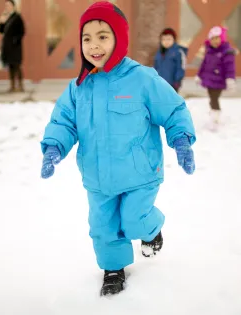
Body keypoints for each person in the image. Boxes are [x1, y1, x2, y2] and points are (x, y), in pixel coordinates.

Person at [40, 1, 196, 296]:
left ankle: (151, 229)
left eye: (102, 36)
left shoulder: (141, 78)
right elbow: (64, 121)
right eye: (87, 38)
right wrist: (54, 147)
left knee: (134, 219)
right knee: (103, 226)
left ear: (119, 39)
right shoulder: (79, 86)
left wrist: (181, 139)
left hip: (140, 173)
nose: (93, 45)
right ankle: (113, 269)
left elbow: (173, 109)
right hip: (98, 178)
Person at [195, 26, 236, 129]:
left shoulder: (226, 52)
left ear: (222, 39)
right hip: (209, 80)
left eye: (217, 38)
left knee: (214, 98)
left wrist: (230, 79)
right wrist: (199, 76)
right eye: (212, 39)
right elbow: (203, 65)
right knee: (212, 98)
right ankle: (214, 113)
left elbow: (230, 67)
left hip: (219, 80)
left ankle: (215, 116)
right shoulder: (209, 52)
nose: (215, 41)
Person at [0, 0, 25, 92]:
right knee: (10, 66)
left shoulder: (17, 17)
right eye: (6, 5)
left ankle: (21, 86)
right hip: (7, 47)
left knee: (17, 66)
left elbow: (22, 32)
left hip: (15, 47)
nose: (7, 7)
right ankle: (12, 86)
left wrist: (15, 41)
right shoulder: (6, 17)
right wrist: (1, 23)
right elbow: (2, 31)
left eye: (8, 5)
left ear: (13, 6)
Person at [153, 27, 188, 92]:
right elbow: (156, 67)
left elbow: (181, 67)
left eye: (169, 39)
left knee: (171, 102)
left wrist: (178, 80)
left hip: (172, 84)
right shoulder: (159, 52)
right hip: (160, 83)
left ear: (174, 40)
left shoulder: (178, 52)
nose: (166, 42)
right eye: (163, 39)